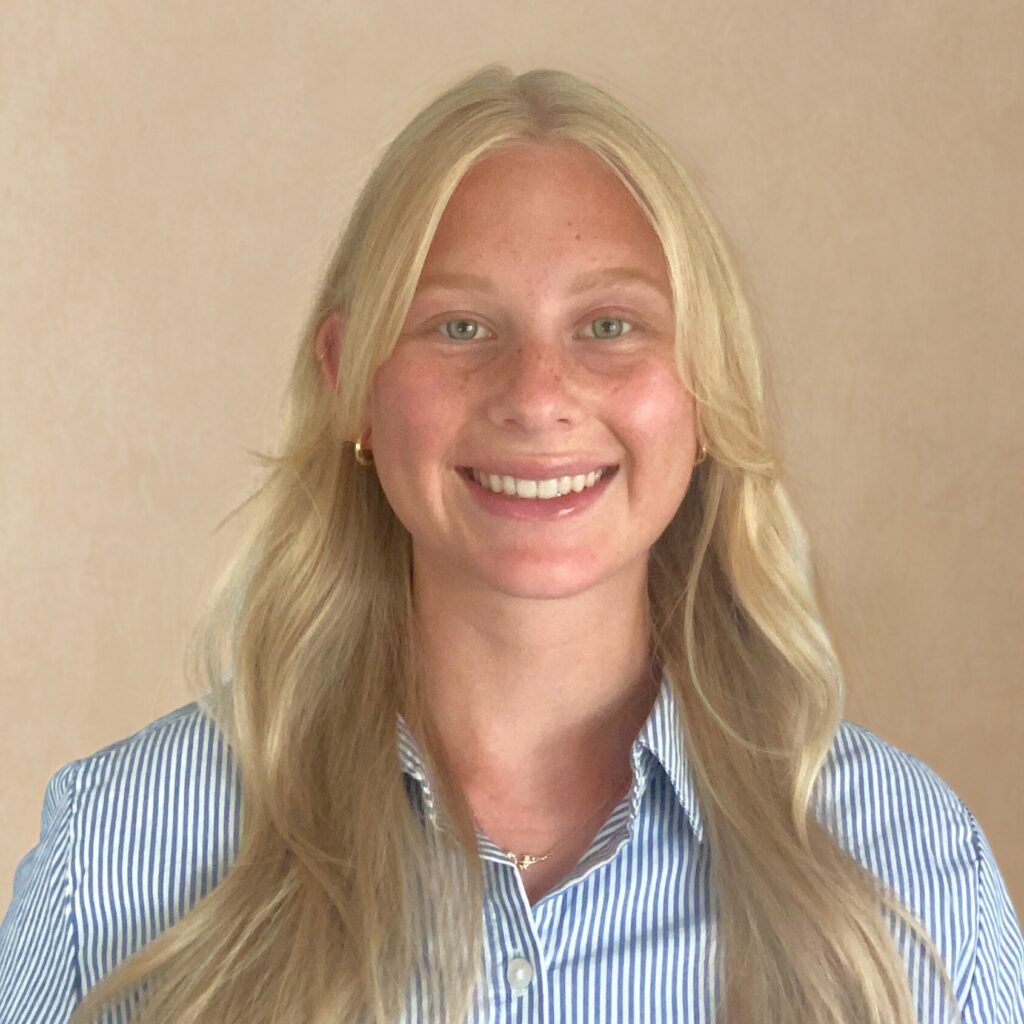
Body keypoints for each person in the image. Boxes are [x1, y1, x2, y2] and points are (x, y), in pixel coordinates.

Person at [0, 63, 1021, 1024]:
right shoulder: (117, 857)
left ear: (707, 387)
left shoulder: (909, 871)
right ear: (348, 378)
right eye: (459, 327)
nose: (536, 396)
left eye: (609, 325)